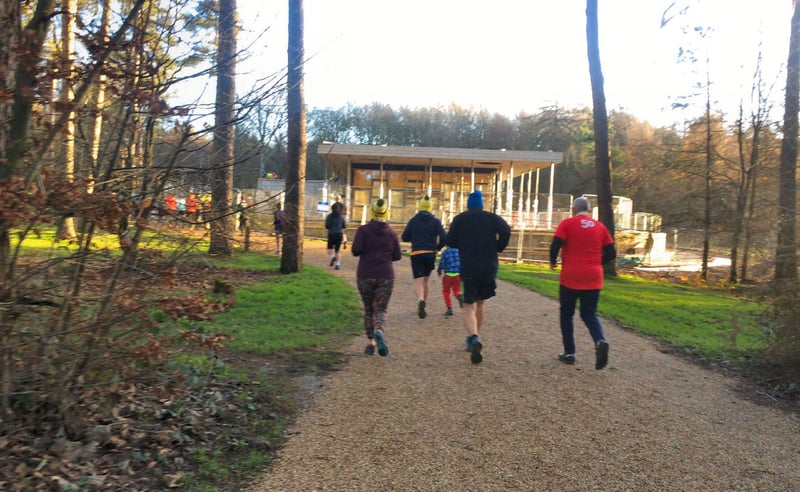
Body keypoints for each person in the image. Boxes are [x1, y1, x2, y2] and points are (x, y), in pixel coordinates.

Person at [549, 196, 616, 370]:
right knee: (589, 314)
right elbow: (611, 252)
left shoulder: (568, 224)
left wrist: (553, 261)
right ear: (589, 210)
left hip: (571, 275)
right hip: (594, 277)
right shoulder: (600, 226)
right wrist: (598, 262)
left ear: (573, 209)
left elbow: (556, 244)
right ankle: (599, 340)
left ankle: (569, 352)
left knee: (566, 314)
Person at [445, 190, 511, 364]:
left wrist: (463, 243)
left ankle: (473, 336)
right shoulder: (491, 218)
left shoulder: (460, 219)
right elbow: (506, 230)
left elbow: (450, 241)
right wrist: (498, 246)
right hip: (489, 265)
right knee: (481, 302)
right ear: (481, 204)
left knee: (468, 303)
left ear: (468, 204)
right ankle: (476, 336)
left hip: (469, 265)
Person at [351, 198, 402, 357]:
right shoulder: (391, 232)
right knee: (380, 308)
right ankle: (379, 329)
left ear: (372, 211)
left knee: (368, 309)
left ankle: (371, 342)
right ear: (387, 212)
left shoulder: (363, 230)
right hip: (385, 275)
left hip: (365, 274)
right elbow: (397, 255)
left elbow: (356, 250)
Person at [401, 195, 446, 319]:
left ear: (419, 206)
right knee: (426, 280)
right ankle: (423, 305)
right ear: (430, 207)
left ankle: (420, 300)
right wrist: (437, 248)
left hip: (417, 253)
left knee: (418, 280)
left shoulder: (413, 220)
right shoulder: (436, 221)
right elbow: (444, 237)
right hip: (430, 253)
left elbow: (405, 237)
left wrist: (414, 237)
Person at [437, 246, 463, 316]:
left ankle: (449, 308)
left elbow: (442, 262)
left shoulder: (446, 251)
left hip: (448, 274)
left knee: (446, 291)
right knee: (457, 289)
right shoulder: (459, 251)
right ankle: (459, 295)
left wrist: (439, 270)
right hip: (458, 274)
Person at [325, 201, 346, 270]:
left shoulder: (329, 216)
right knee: (338, 250)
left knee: (329, 249)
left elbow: (327, 226)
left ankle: (332, 257)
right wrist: (344, 238)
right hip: (339, 234)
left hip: (331, 234)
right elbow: (343, 227)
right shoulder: (341, 217)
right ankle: (337, 264)